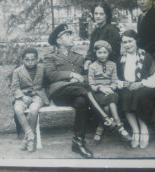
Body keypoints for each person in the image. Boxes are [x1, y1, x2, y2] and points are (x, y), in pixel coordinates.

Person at [44, 23, 117, 158]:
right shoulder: (50, 57)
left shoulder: (78, 57)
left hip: (78, 91)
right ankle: (105, 119)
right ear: (59, 41)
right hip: (59, 93)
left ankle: (78, 142)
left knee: (82, 102)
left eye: (71, 34)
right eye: (67, 35)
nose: (71, 37)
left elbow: (85, 75)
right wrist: (71, 75)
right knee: (83, 90)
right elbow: (51, 75)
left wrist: (79, 78)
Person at [117, 30, 155, 149]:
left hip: (145, 86)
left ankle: (144, 129)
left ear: (136, 41)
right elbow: (115, 78)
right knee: (125, 95)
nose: (127, 44)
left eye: (130, 41)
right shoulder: (121, 59)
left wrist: (141, 83)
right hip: (128, 87)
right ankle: (135, 130)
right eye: (124, 42)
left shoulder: (146, 56)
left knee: (139, 96)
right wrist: (122, 83)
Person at [88, 40, 131, 144]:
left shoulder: (113, 65)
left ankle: (100, 130)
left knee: (110, 100)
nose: (102, 55)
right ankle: (119, 125)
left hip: (111, 91)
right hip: (98, 92)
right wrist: (101, 88)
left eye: (105, 52)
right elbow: (91, 85)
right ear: (96, 53)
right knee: (109, 103)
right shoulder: (92, 66)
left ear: (108, 53)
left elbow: (115, 81)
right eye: (99, 52)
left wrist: (110, 88)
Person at [11, 47, 50, 152]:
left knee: (34, 109)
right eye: (27, 60)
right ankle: (30, 135)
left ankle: (27, 140)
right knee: (18, 109)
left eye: (33, 59)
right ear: (22, 60)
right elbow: (14, 88)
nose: (30, 62)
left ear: (37, 59)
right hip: (23, 96)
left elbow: (47, 85)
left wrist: (45, 96)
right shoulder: (17, 71)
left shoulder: (42, 70)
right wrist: (22, 97)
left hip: (38, 95)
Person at [84, 2, 121, 70]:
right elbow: (91, 50)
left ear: (106, 15)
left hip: (110, 67)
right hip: (97, 64)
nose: (98, 16)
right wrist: (88, 59)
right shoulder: (95, 31)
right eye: (96, 13)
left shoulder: (111, 31)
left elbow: (111, 54)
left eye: (101, 14)